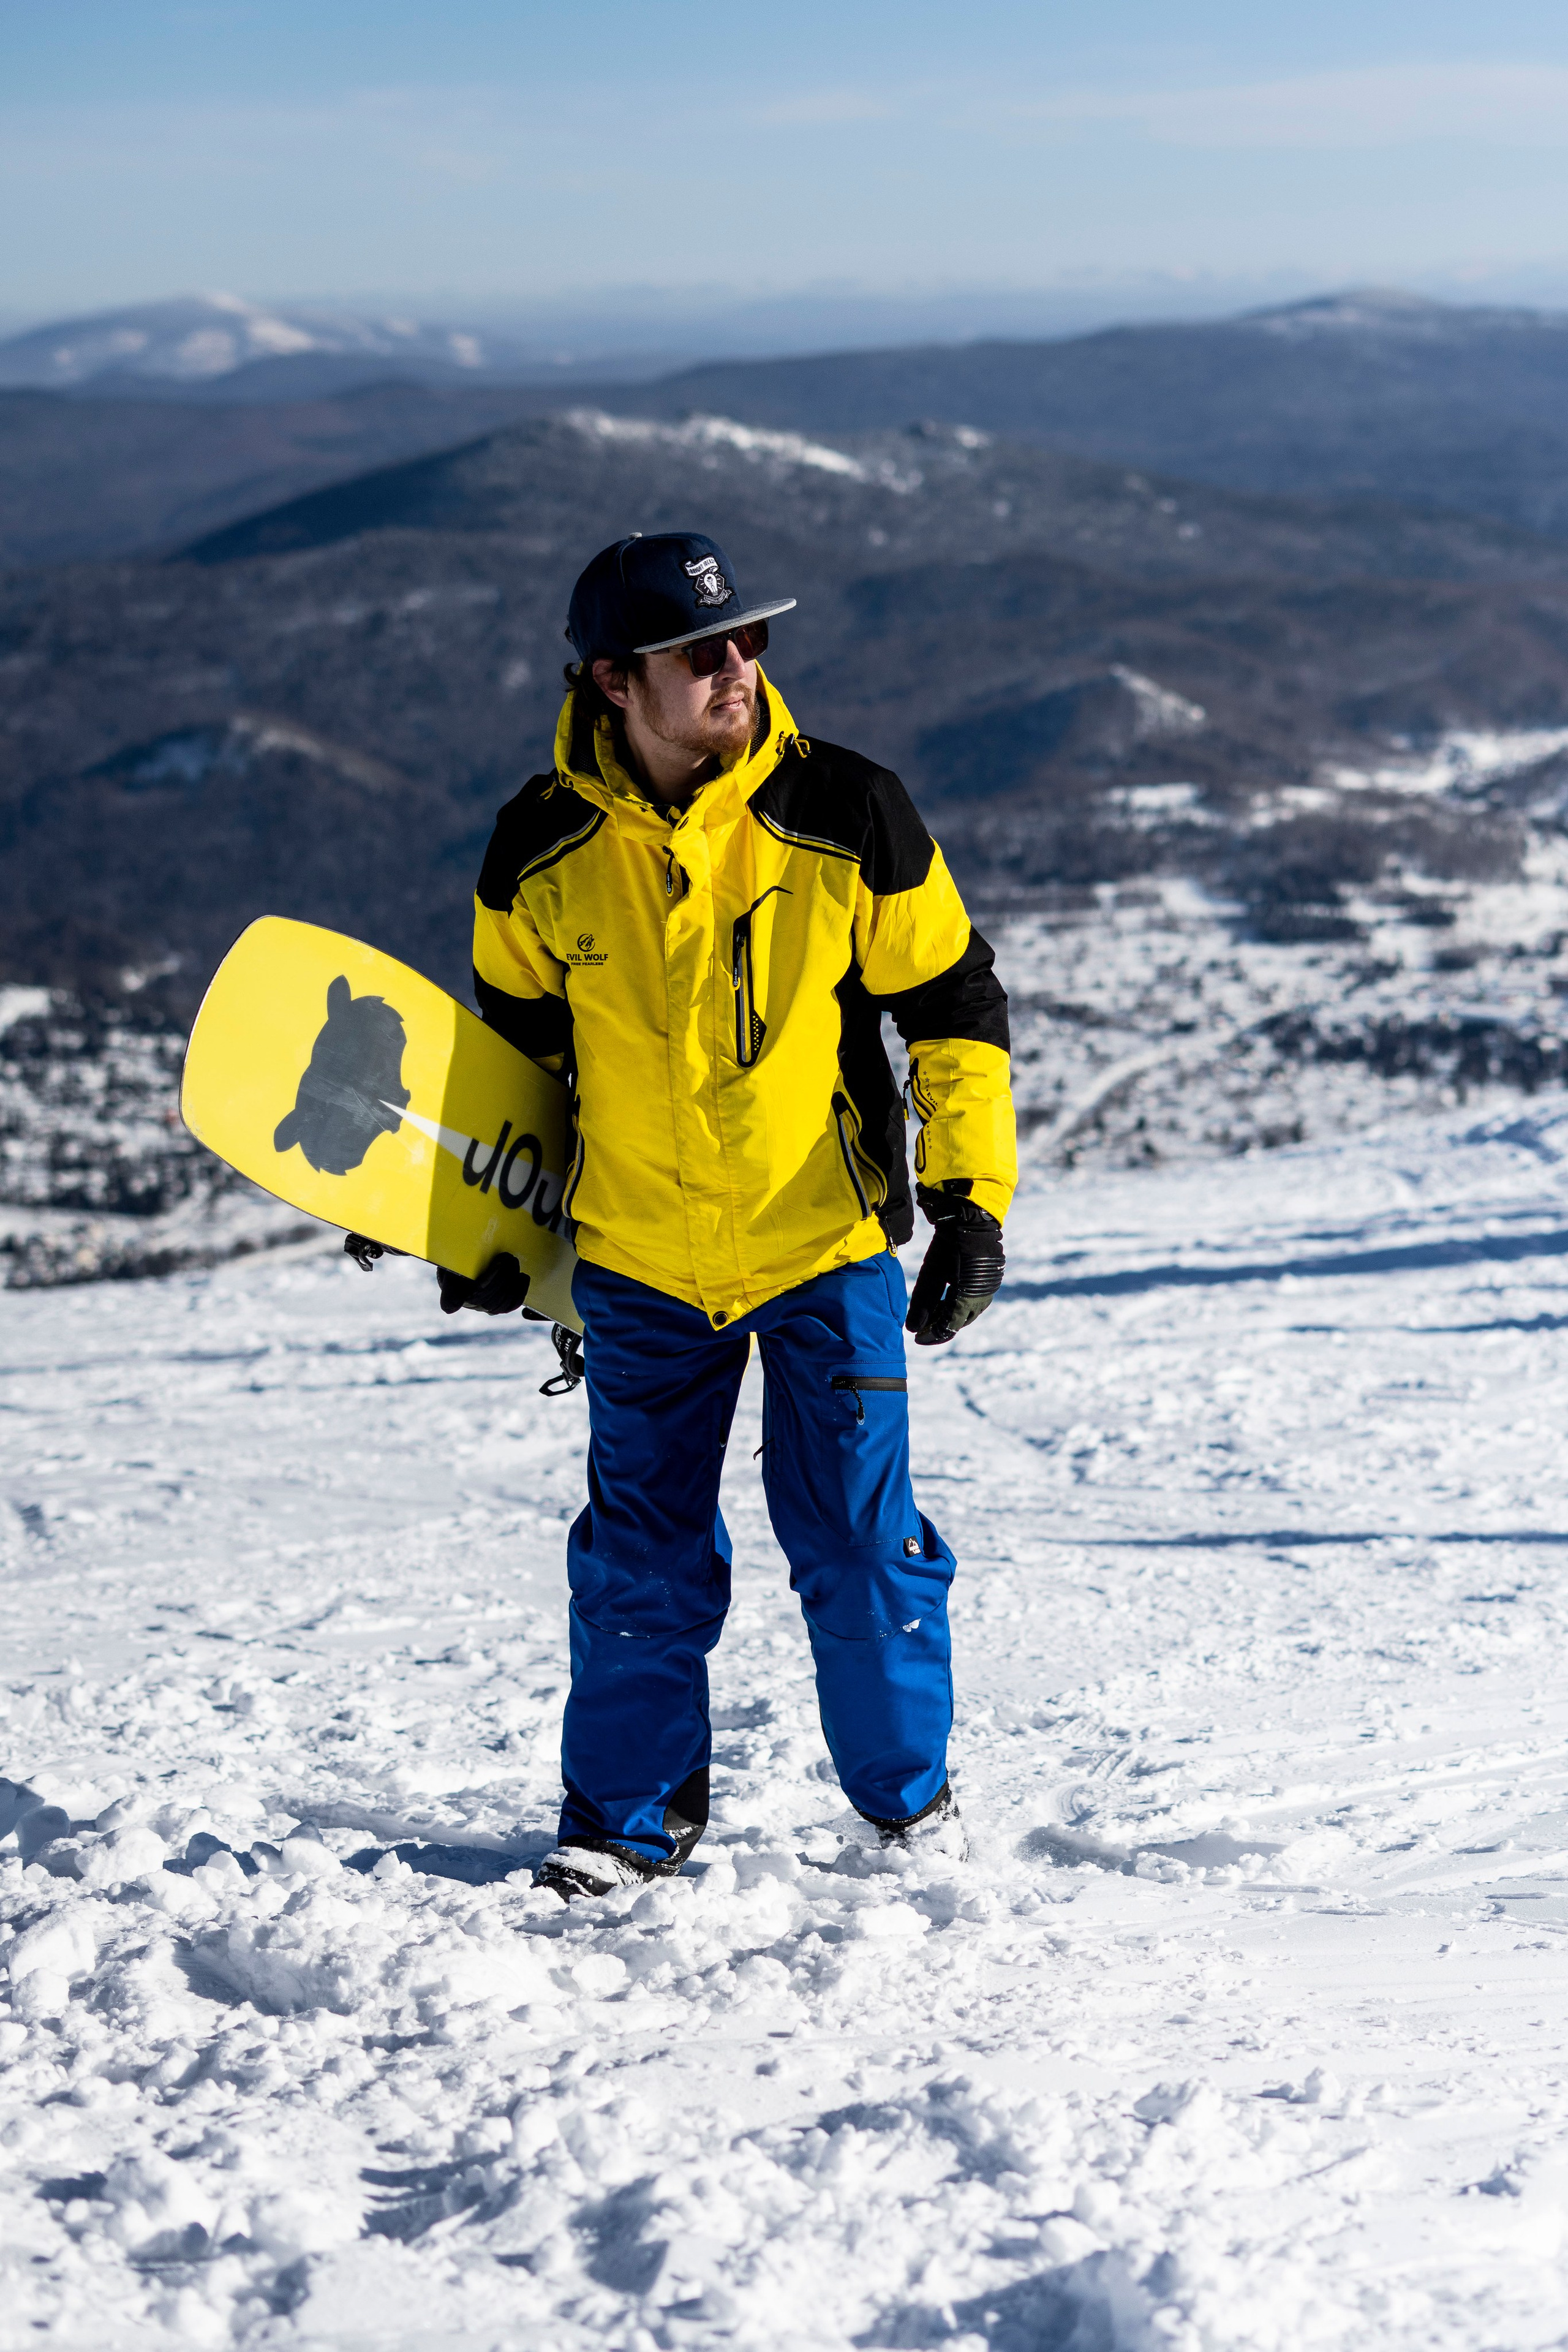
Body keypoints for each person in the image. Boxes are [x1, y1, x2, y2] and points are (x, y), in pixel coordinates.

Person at [444, 532, 1015, 1900]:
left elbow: (950, 1004)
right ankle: (622, 1824)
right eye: (699, 650)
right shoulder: (539, 848)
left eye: (748, 639)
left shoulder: (845, 809)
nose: (737, 668)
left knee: (857, 1541)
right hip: (638, 1259)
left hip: (820, 1248)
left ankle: (906, 1805)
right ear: (609, 682)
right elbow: (509, 1067)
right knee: (638, 1555)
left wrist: (968, 1202)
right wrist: (474, 1226)